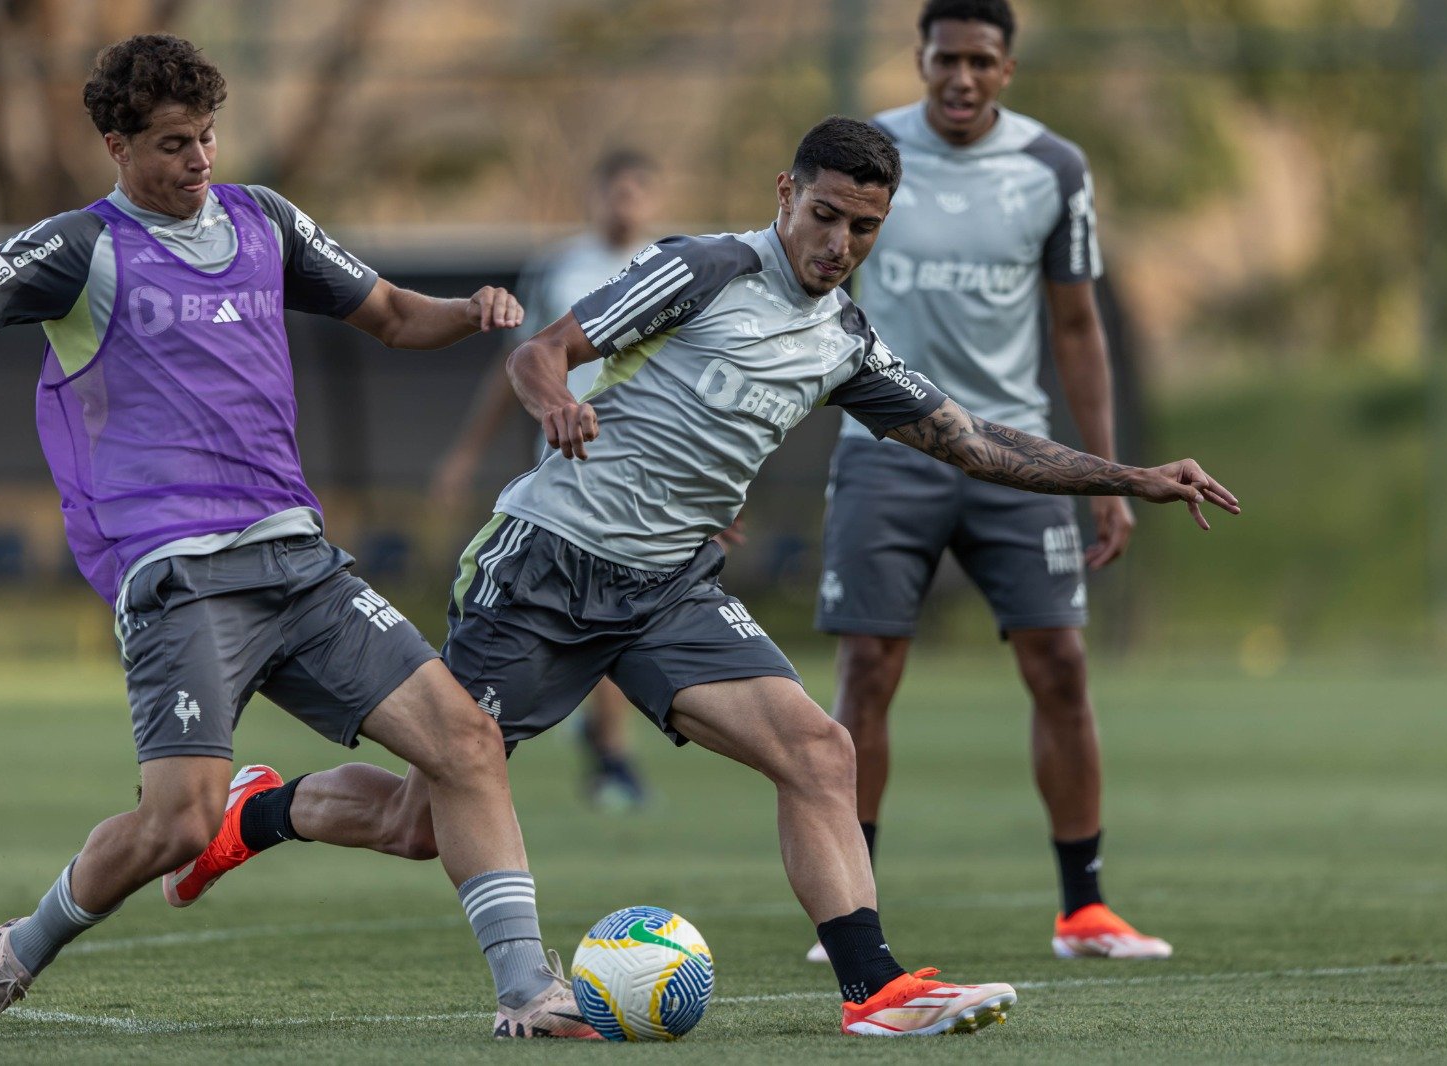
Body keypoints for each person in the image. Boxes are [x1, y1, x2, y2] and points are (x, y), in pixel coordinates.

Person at [170, 115, 1238, 1037]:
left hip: (667, 589)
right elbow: (540, 354)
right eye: (823, 215)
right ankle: (257, 811)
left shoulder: (845, 344)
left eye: (862, 227)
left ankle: (872, 989)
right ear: (786, 194)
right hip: (542, 569)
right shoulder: (705, 269)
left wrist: (1132, 475)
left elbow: (974, 444)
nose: (838, 242)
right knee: (417, 820)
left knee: (818, 748)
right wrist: (556, 405)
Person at [0, 34, 597, 1041]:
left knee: (465, 742)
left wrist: (467, 311)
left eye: (206, 137)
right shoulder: (80, 248)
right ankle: (15, 952)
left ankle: (527, 992)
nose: (198, 161)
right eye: (171, 143)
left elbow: (387, 312)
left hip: (300, 562)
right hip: (182, 581)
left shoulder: (264, 219)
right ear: (116, 145)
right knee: (177, 824)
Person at [808, 0, 1172, 966]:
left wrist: (1105, 479)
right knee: (868, 673)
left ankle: (1084, 909)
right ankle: (853, 906)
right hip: (888, 452)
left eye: (979, 60)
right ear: (919, 59)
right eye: (944, 59)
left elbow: (1078, 327)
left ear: (1007, 68)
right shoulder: (868, 153)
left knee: (1061, 665)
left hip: (1015, 456)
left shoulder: (1054, 168)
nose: (960, 77)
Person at [428, 149, 664, 811]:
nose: (625, 204)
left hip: (650, 473)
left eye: (638, 192)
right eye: (615, 191)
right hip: (569, 467)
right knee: (596, 610)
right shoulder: (560, 268)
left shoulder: (671, 269)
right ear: (596, 194)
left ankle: (599, 736)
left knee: (615, 614)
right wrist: (465, 455)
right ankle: (609, 753)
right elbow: (517, 364)